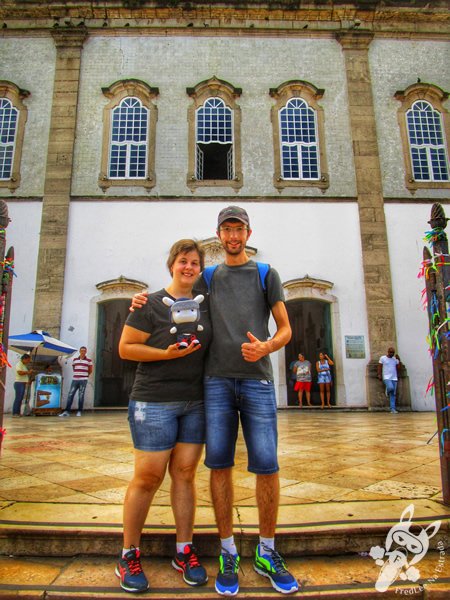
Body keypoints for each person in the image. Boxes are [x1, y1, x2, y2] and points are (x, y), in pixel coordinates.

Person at [132, 206, 299, 596]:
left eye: (239, 229)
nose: (233, 236)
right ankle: (227, 551)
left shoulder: (265, 274)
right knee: (219, 464)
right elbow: (178, 294)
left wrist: (268, 346)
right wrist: (142, 301)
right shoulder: (208, 276)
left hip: (257, 382)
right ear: (219, 236)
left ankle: (267, 550)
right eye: (227, 230)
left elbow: (286, 327)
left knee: (267, 465)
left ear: (248, 232)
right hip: (216, 383)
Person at [117, 239, 211, 594]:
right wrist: (167, 354)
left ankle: (184, 550)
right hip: (154, 401)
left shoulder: (206, 304)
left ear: (201, 269)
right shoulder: (149, 303)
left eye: (194, 263)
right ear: (171, 264)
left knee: (185, 474)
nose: (188, 267)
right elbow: (126, 348)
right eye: (183, 261)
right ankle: (128, 554)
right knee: (148, 476)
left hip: (195, 402)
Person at [59, 346, 93, 417]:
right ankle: (67, 411)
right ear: (80, 351)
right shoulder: (75, 360)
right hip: (75, 379)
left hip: (83, 380)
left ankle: (79, 411)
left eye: (84, 351)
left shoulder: (89, 361)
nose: (83, 352)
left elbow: (90, 370)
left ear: (86, 352)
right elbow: (74, 368)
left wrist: (85, 376)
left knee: (81, 395)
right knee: (70, 394)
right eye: (82, 351)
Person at [377, 347, 401, 414]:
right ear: (388, 352)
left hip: (394, 378)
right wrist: (379, 374)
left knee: (393, 394)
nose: (392, 354)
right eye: (390, 352)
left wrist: (399, 360)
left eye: (393, 352)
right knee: (390, 388)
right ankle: (387, 390)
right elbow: (379, 366)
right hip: (386, 377)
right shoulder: (383, 358)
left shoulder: (394, 359)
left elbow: (399, 368)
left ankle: (392, 409)